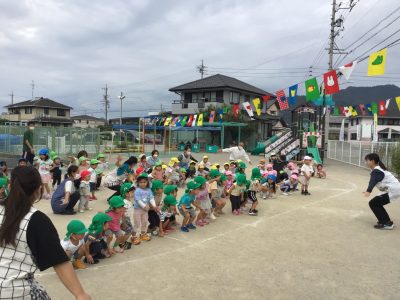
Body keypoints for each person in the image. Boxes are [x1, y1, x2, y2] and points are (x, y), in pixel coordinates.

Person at [0, 166, 90, 299]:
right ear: (38, 189)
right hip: (14, 290)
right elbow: (59, 261)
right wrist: (80, 294)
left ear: (9, 185)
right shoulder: (37, 220)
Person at [364, 153, 400, 230]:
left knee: (374, 203)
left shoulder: (377, 170)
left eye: (367, 160)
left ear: (372, 161)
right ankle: (386, 221)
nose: (366, 162)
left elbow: (373, 181)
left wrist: (368, 191)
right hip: (392, 189)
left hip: (393, 190)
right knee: (376, 203)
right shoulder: (377, 169)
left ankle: (386, 223)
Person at [134, 173, 158, 242]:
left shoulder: (149, 190)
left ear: (147, 182)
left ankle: (143, 234)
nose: (143, 184)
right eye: (141, 182)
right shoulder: (137, 190)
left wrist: (154, 206)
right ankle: (134, 236)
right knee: (137, 223)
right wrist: (144, 206)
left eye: (144, 182)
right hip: (138, 209)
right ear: (138, 183)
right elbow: (138, 200)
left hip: (145, 211)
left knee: (145, 222)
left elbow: (151, 198)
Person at [120, 182, 136, 248]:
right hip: (125, 220)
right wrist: (124, 223)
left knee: (130, 231)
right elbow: (122, 213)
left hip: (128, 219)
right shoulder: (125, 202)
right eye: (132, 192)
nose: (134, 193)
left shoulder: (129, 200)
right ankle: (121, 243)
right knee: (128, 232)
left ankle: (124, 241)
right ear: (126, 193)